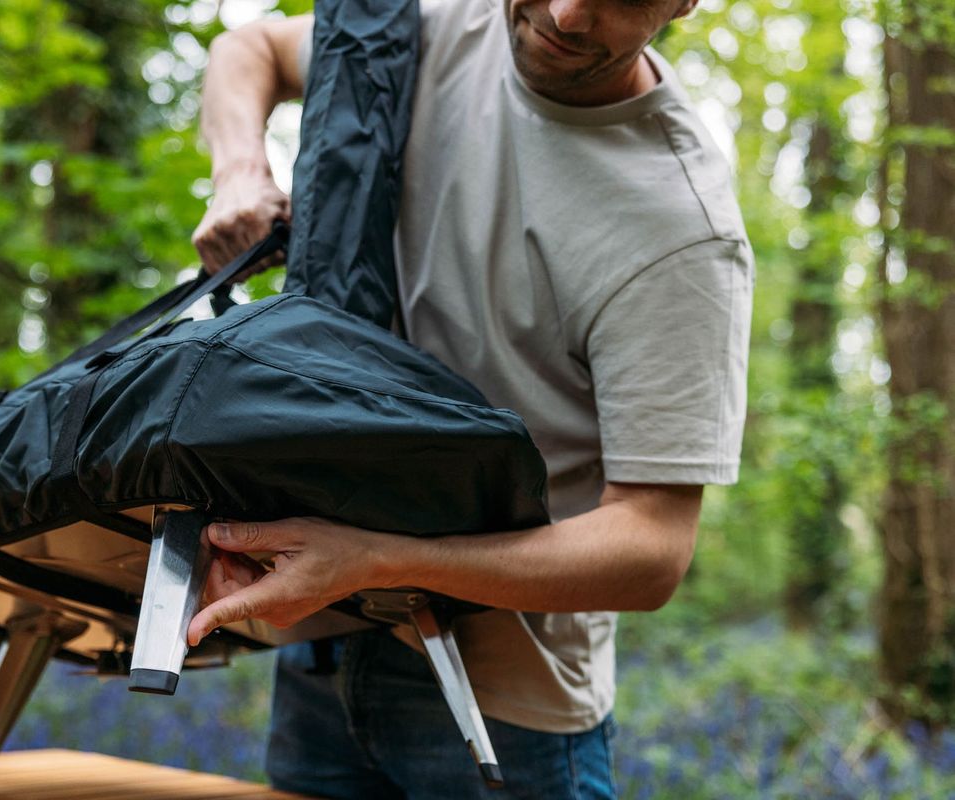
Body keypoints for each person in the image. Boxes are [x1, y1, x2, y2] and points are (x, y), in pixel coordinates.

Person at [188, 0, 753, 797]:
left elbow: (652, 549)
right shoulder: (443, 25)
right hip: (322, 657)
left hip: (501, 709)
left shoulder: (678, 230)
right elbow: (250, 49)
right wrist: (240, 169)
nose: (565, 13)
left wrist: (377, 561)